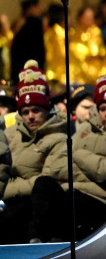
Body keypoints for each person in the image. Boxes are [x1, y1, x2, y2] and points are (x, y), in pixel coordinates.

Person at [34, 71, 106, 241]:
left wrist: (76, 153)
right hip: (71, 193)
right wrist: (90, 168)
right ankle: (37, 247)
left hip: (101, 202)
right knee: (43, 184)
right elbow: (55, 166)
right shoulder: (87, 129)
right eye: (102, 108)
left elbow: (105, 171)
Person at [0, 70, 66, 244]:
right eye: (25, 111)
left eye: (36, 110)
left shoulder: (59, 137)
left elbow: (47, 180)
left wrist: (8, 186)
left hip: (35, 208)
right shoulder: (9, 134)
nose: (30, 116)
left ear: (46, 109)